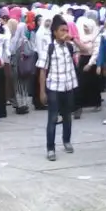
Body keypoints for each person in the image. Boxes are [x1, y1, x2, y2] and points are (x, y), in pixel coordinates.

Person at [37, 15, 84, 161]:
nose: (65, 32)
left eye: (66, 30)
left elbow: (84, 48)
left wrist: (73, 39)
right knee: (52, 118)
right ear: (55, 32)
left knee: (67, 116)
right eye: (62, 30)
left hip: (68, 87)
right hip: (54, 88)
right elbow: (42, 71)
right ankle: (50, 148)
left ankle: (66, 140)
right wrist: (42, 91)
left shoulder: (70, 46)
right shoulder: (49, 48)